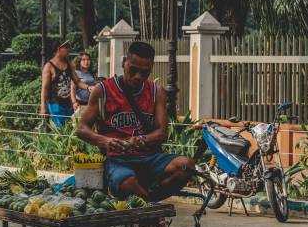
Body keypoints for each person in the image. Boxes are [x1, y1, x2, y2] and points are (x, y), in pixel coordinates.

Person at [77, 41, 195, 200]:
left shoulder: (156, 91)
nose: (138, 76)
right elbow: (82, 128)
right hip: (117, 160)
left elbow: (162, 132)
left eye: (144, 72)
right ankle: (150, 207)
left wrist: (141, 140)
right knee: (127, 182)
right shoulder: (103, 90)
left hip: (150, 157)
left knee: (186, 166)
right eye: (133, 70)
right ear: (124, 63)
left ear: (151, 68)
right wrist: (105, 141)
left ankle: (147, 204)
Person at [40, 41, 94, 128]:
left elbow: (77, 82)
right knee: (60, 129)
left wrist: (88, 87)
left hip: (68, 104)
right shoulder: (49, 66)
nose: (69, 50)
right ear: (59, 49)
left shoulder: (69, 64)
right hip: (55, 103)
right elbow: (44, 89)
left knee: (71, 127)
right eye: (66, 48)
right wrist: (43, 106)